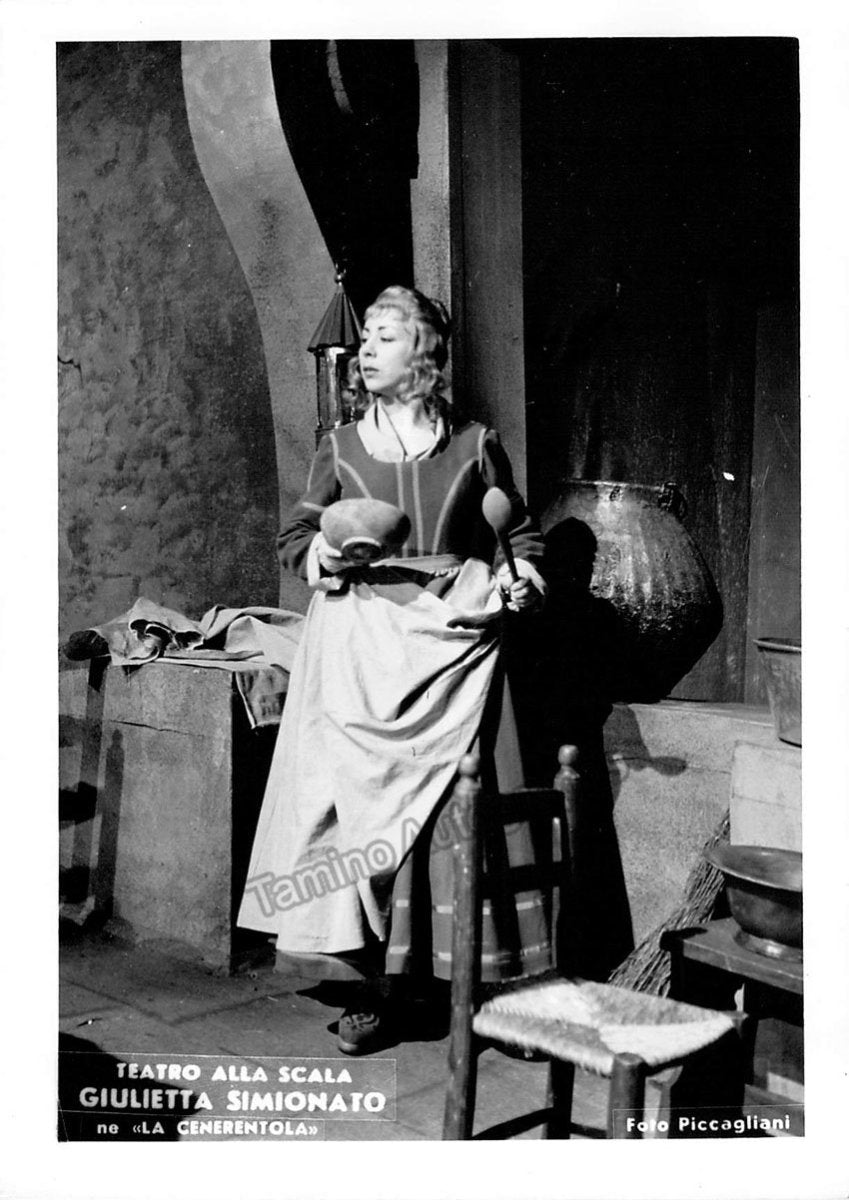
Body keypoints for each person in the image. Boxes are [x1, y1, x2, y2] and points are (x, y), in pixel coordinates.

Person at [237, 285, 548, 1054]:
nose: (366, 348)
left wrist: (519, 579)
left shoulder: (474, 444)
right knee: (350, 813)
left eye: (384, 335)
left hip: (453, 650)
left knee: (451, 814)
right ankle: (374, 989)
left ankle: (479, 990)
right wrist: (328, 550)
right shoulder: (341, 446)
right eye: (366, 337)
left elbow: (519, 534)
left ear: (425, 353)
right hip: (356, 649)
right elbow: (295, 537)